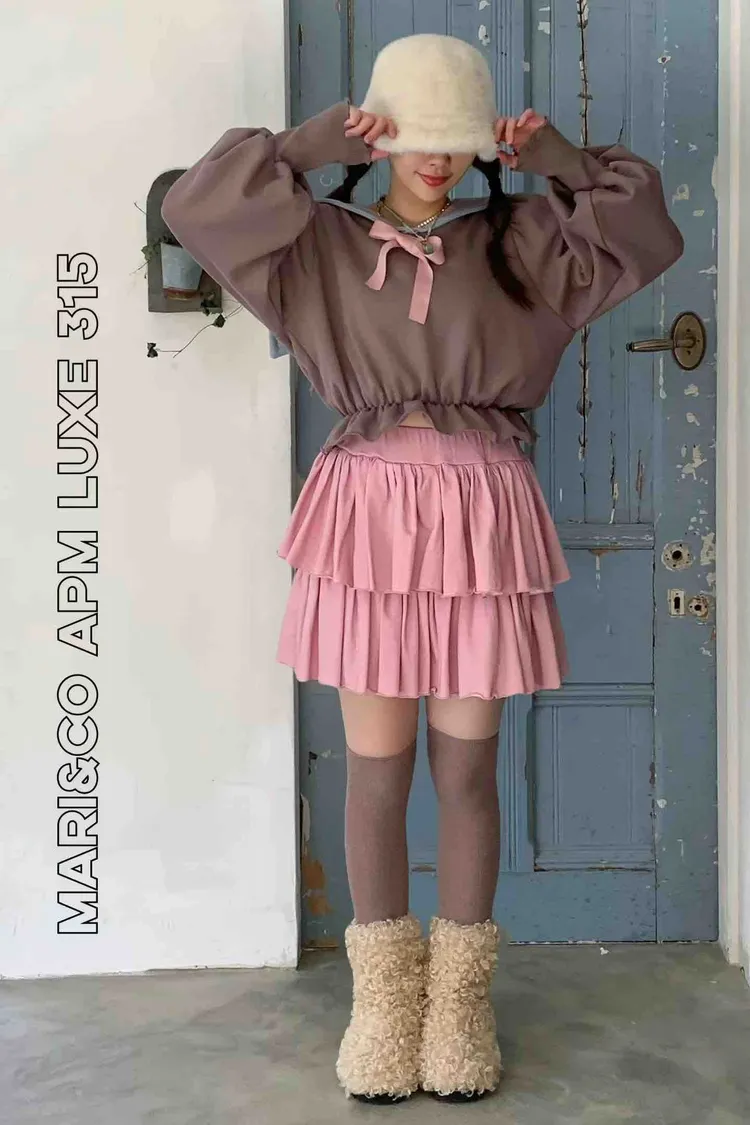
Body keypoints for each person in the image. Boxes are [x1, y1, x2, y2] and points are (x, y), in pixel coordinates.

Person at [161, 32, 683, 1106]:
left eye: (454, 138)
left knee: (466, 771)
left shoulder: (525, 238)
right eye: (415, 135)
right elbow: (195, 207)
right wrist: (303, 149)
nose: (436, 159)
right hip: (365, 518)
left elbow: (643, 226)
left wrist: (561, 160)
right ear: (381, 134)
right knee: (376, 770)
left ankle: (460, 1008)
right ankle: (385, 1006)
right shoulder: (317, 241)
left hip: (483, 518)